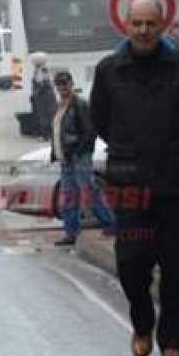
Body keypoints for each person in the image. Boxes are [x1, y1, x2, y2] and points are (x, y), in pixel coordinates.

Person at [90, 0, 179, 356]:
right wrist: (128, 149)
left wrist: (172, 151)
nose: (142, 30)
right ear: (126, 25)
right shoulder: (109, 71)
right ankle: (142, 323)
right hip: (130, 187)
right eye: (136, 23)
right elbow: (100, 121)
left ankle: (173, 340)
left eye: (149, 23)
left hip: (174, 185)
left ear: (161, 25)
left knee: (176, 267)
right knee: (131, 264)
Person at [50, 70, 115, 246]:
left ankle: (111, 224)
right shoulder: (59, 107)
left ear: (71, 84)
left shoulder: (80, 105)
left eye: (65, 83)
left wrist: (79, 151)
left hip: (79, 158)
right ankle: (71, 233)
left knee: (90, 193)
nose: (63, 87)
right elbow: (57, 132)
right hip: (66, 160)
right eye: (59, 84)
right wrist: (55, 153)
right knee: (69, 198)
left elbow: (90, 131)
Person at [29, 52, 56, 140]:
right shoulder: (42, 70)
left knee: (45, 115)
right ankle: (48, 135)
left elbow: (43, 82)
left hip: (44, 96)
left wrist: (38, 92)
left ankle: (47, 136)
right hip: (46, 95)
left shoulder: (42, 70)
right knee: (47, 115)